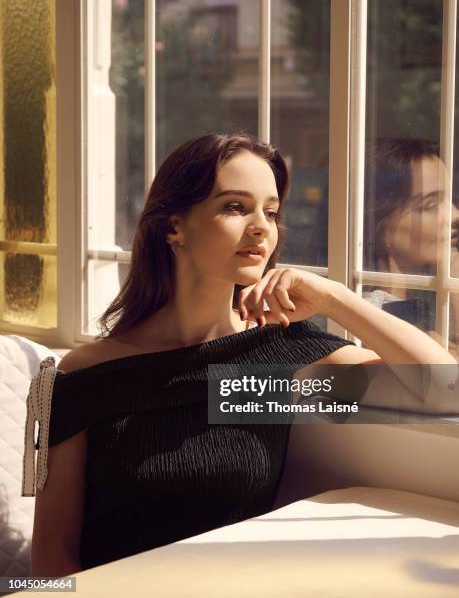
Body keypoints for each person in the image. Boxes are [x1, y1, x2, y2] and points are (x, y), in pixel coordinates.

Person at [22, 133, 456, 578]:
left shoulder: (271, 372)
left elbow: (444, 390)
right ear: (174, 226)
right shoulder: (88, 375)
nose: (262, 228)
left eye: (271, 212)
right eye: (234, 207)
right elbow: (48, 565)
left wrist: (336, 298)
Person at [363, 138, 459, 355]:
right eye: (430, 205)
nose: (455, 214)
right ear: (380, 225)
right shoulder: (376, 316)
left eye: (450, 199)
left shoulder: (427, 302)